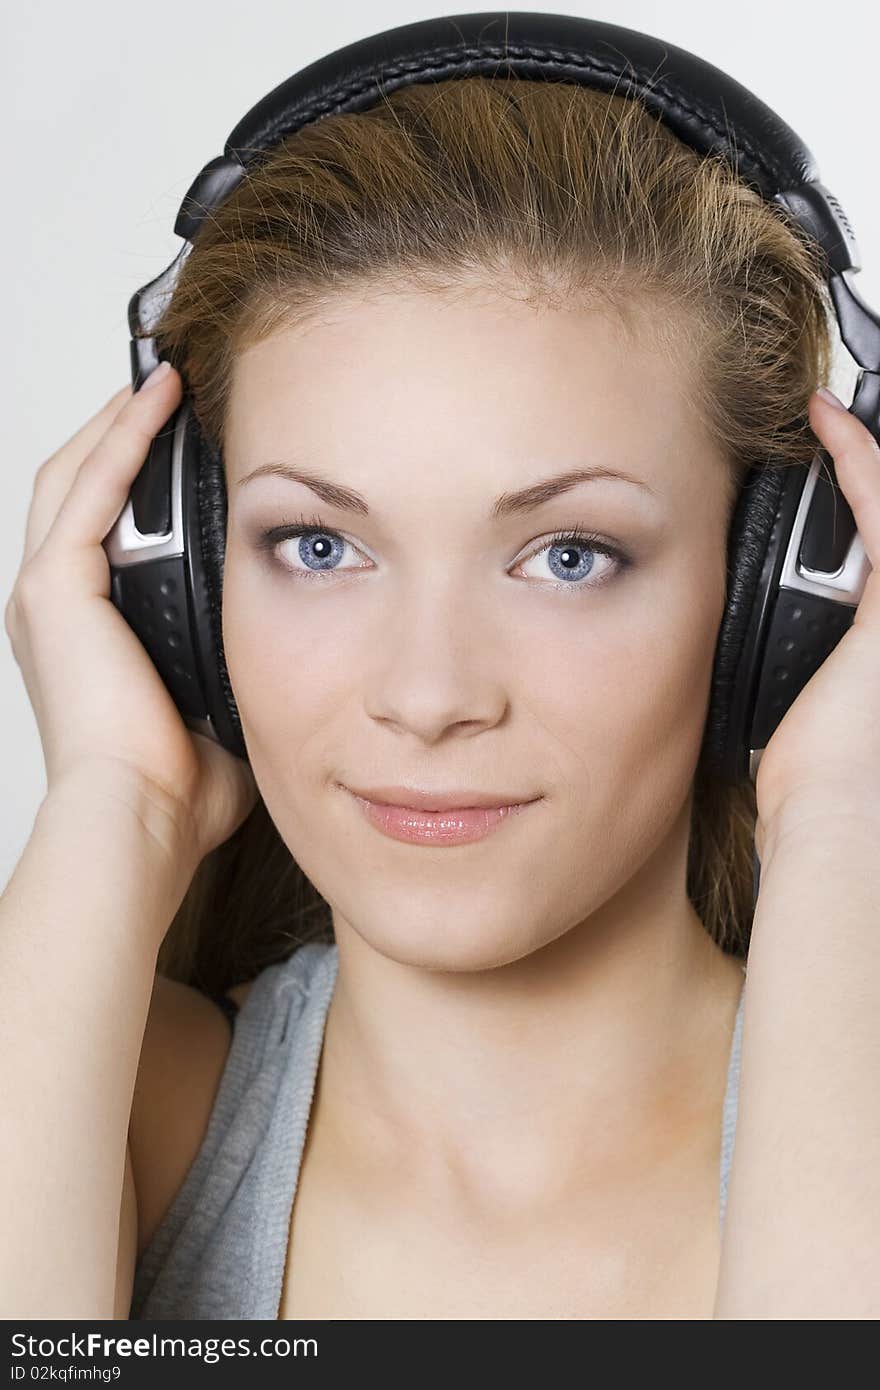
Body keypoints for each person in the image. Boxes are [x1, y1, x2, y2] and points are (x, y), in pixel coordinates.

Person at [2, 76, 878, 1321]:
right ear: (181, 591)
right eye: (316, 545)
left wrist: (841, 817)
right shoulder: (116, 1109)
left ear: (780, 598)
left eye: (568, 555)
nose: (426, 696)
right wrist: (116, 803)